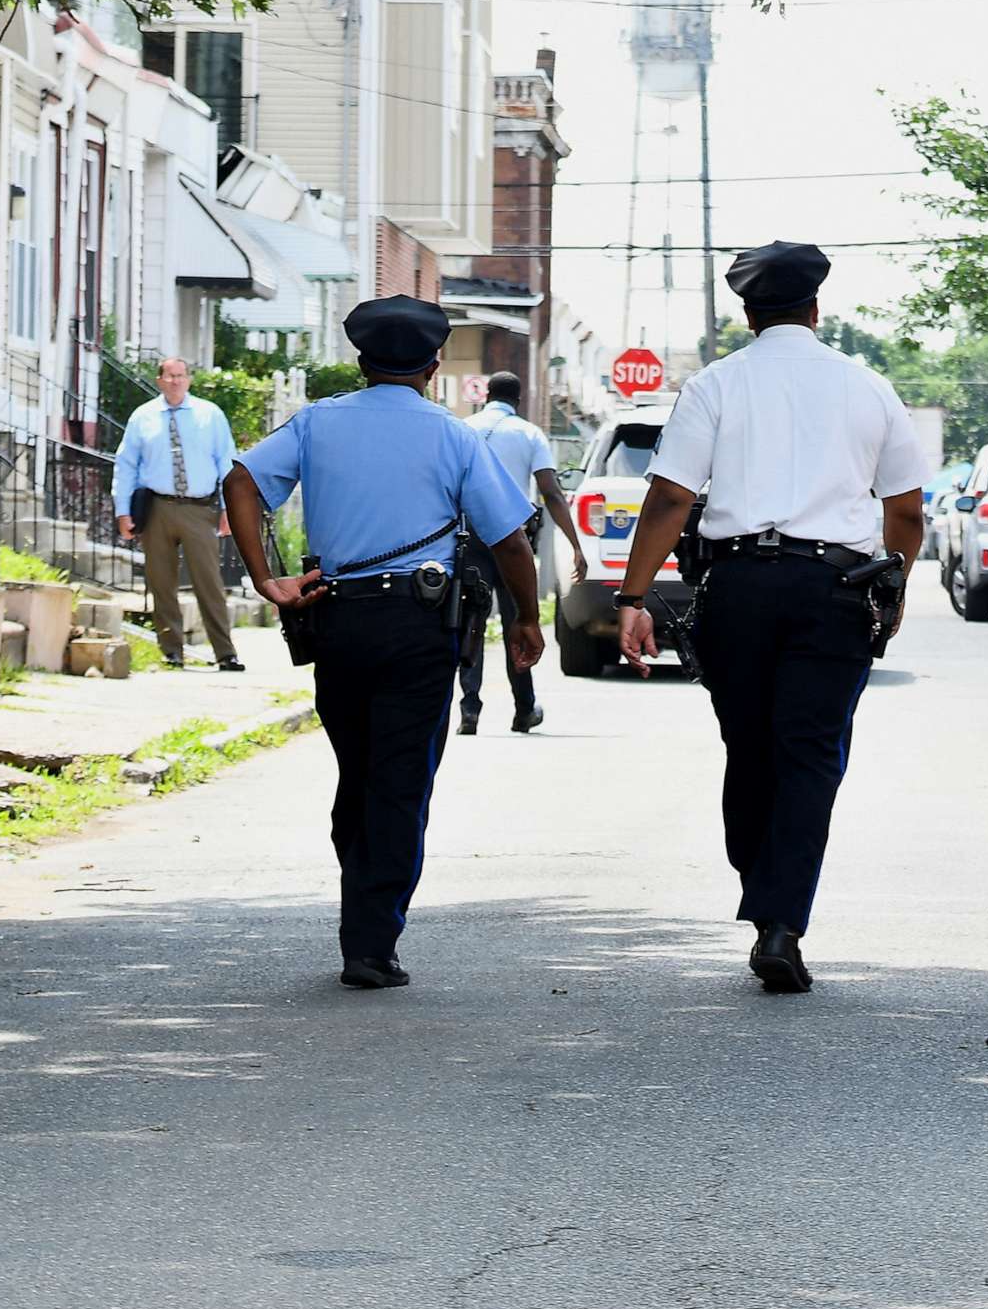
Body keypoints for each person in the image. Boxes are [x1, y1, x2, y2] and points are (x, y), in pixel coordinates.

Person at [611, 242, 926, 994]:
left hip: (739, 587)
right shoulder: (869, 388)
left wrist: (632, 596)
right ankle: (782, 919)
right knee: (811, 754)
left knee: (749, 745)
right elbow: (907, 510)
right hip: (839, 590)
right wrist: (899, 587)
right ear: (816, 310)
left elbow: (669, 499)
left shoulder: (716, 385)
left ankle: (765, 895)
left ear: (748, 314)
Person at [222, 295, 543, 990]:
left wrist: (265, 578)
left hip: (338, 620)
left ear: (361, 362)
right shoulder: (454, 436)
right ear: (433, 366)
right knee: (400, 781)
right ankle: (370, 942)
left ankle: (361, 909)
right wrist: (527, 619)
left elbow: (241, 480)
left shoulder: (316, 423)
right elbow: (510, 539)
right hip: (419, 626)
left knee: (358, 771)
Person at [456, 370, 587, 736]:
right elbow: (551, 491)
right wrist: (575, 544)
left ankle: (469, 710)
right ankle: (524, 708)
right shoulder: (529, 433)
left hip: (470, 538)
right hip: (513, 541)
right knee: (521, 621)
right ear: (518, 399)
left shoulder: (464, 428)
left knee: (470, 622)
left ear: (486, 395)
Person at [114, 358, 244, 672]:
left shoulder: (209, 414)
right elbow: (126, 464)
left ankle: (225, 652)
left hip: (199, 508)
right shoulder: (143, 417)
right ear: (159, 380)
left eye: (181, 375)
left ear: (189, 380)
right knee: (161, 581)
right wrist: (122, 511)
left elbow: (227, 462)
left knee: (208, 580)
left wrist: (229, 509)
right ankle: (171, 650)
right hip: (157, 506)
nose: (175, 381)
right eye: (169, 376)